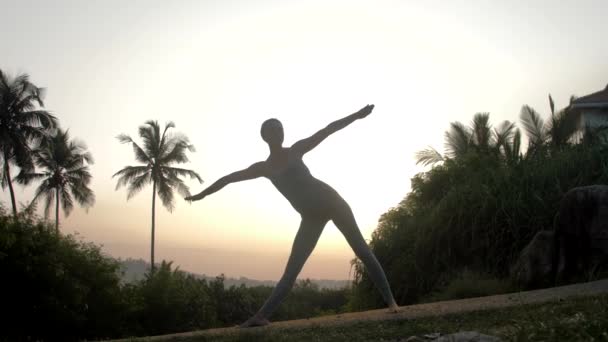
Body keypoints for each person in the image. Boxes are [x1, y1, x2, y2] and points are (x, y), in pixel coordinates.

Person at [186, 104, 399, 327]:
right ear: (265, 137)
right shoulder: (263, 168)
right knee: (292, 270)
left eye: (280, 128)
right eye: (273, 130)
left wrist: (357, 115)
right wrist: (201, 195)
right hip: (310, 217)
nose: (279, 132)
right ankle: (260, 316)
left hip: (333, 202)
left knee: (362, 250)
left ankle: (392, 303)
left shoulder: (296, 150)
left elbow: (328, 130)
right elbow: (228, 178)